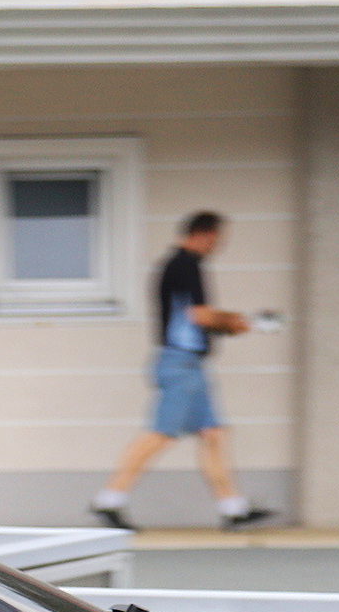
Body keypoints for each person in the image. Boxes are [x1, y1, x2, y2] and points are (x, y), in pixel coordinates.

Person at [91, 211, 273, 531]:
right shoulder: (186, 264)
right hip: (180, 364)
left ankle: (232, 508)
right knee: (159, 434)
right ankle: (109, 500)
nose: (218, 246)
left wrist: (231, 324)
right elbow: (199, 315)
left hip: (190, 365)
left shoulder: (178, 265)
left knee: (213, 434)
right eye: (217, 239)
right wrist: (239, 322)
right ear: (202, 234)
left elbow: (192, 318)